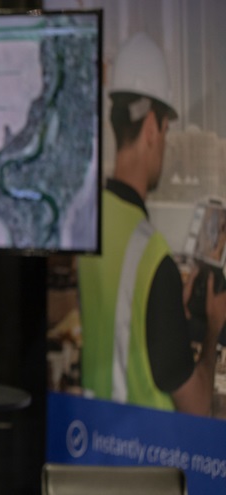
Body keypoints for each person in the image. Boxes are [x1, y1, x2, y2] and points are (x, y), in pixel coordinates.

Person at [77, 33, 226, 416]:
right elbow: (196, 407)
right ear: (151, 130)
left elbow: (118, 325)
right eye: (166, 131)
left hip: (94, 443)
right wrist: (213, 329)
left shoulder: (89, 223)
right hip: (146, 458)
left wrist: (164, 308)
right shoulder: (153, 257)